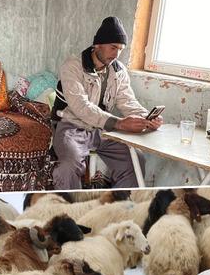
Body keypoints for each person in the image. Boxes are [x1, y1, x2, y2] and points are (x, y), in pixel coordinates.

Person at [51, 16, 162, 189]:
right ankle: (71, 212)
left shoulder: (118, 71)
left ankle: (123, 208)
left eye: (120, 49)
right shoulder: (72, 67)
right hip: (72, 128)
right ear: (97, 45)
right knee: (67, 168)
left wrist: (146, 118)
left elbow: (127, 101)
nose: (116, 54)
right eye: (113, 47)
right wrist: (119, 123)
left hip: (103, 131)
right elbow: (81, 106)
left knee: (135, 159)